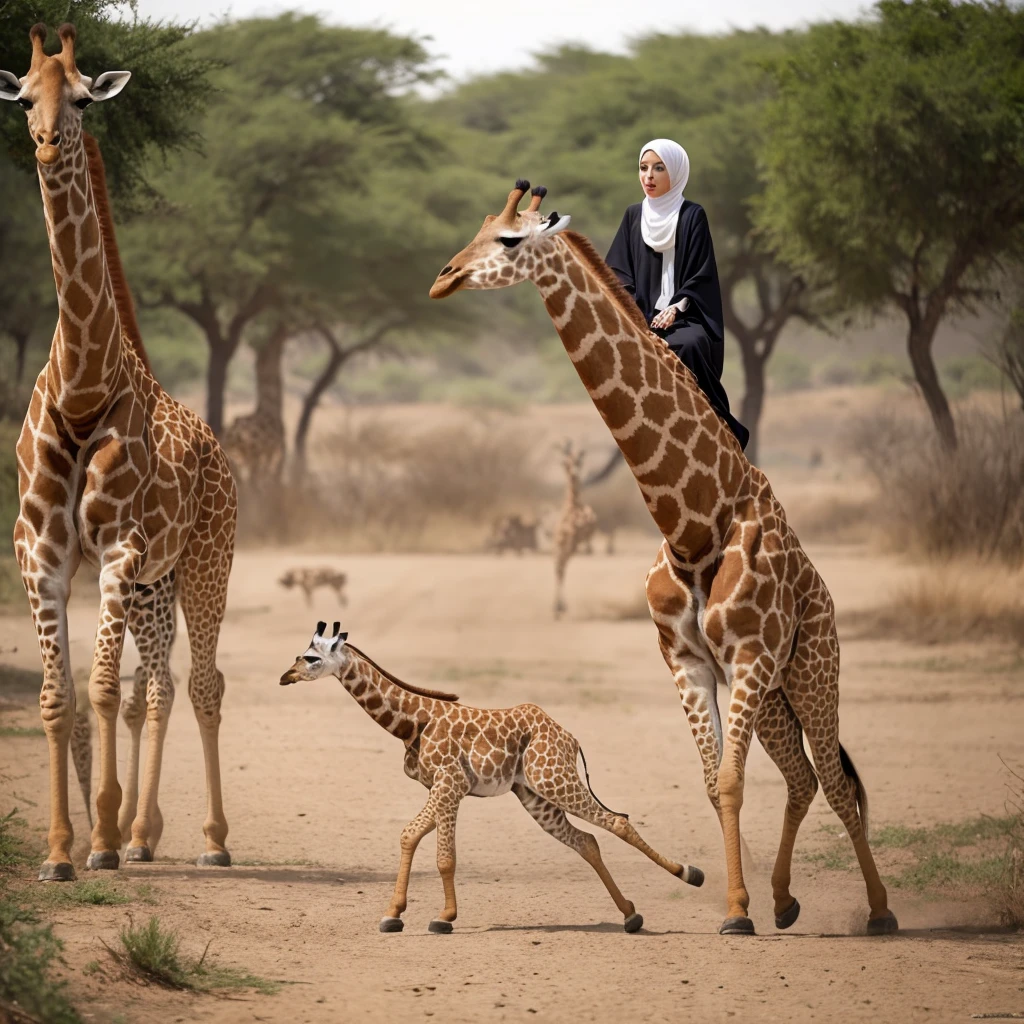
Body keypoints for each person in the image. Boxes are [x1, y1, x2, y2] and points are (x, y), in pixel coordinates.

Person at [606, 139, 749, 450]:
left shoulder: (693, 215)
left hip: (686, 315)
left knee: (689, 343)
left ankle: (705, 425)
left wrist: (676, 307)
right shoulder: (633, 216)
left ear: (677, 172)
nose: (649, 177)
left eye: (659, 168)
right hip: (642, 315)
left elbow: (702, 274)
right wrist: (631, 309)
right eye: (643, 169)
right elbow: (617, 273)